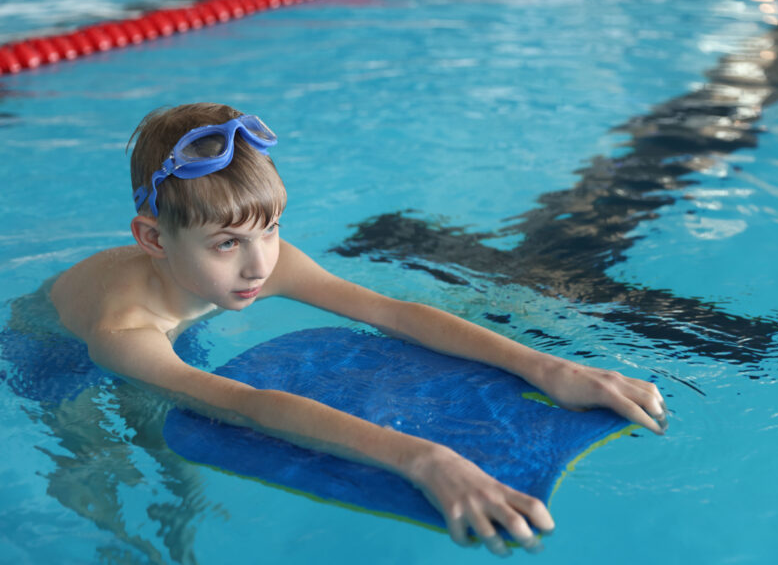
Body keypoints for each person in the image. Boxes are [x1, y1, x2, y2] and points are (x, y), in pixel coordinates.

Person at [50, 102, 668, 556]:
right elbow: (247, 405)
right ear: (154, 239)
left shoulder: (255, 264)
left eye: (271, 229)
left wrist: (549, 366)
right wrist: (427, 461)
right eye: (228, 242)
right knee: (128, 474)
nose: (260, 263)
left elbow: (391, 313)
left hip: (180, 321)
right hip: (57, 361)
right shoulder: (123, 331)